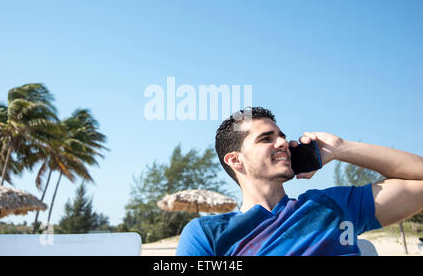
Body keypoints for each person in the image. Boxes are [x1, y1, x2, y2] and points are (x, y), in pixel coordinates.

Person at [176, 107, 423, 256]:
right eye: (266, 139)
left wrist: (341, 148)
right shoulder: (209, 233)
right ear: (236, 160)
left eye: (282, 136)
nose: (283, 142)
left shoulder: (331, 206)